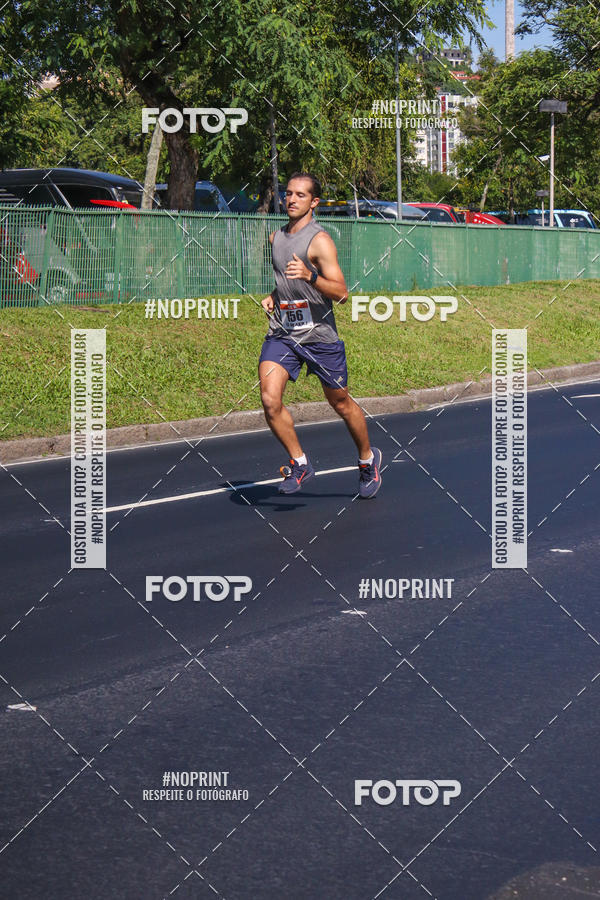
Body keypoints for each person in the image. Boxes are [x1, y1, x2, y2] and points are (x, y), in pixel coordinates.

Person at [259, 172, 382, 498]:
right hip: (284, 332)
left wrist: (311, 276)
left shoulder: (320, 241)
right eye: (288, 194)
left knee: (339, 402)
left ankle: (367, 460)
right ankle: (300, 463)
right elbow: (287, 280)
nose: (291, 200)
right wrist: (275, 294)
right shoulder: (276, 238)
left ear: (314, 202)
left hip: (319, 335)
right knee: (270, 401)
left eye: (300, 195)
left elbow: (342, 293)